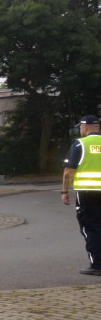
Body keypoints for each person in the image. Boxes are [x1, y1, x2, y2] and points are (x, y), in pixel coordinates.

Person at [63, 114, 101, 275]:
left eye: (80, 126)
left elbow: (68, 171)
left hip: (87, 193)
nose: (79, 129)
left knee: (90, 227)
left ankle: (97, 265)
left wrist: (64, 191)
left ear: (85, 127)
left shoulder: (80, 144)